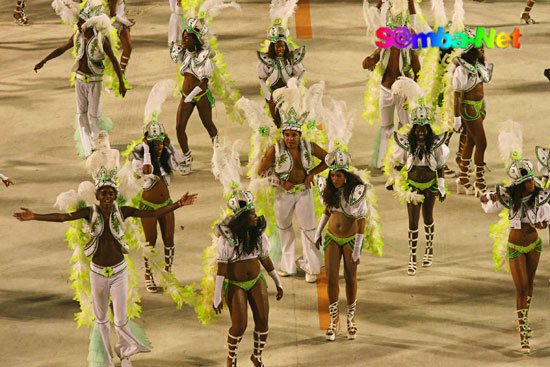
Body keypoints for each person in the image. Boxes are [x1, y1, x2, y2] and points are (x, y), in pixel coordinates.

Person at [13, 166, 198, 367]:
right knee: (101, 320)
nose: (107, 197)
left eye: (111, 193)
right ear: (98, 196)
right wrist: (35, 216)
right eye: (104, 193)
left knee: (120, 320)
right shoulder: (88, 212)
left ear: (116, 196)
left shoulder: (124, 211)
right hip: (97, 274)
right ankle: (108, 360)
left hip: (119, 273)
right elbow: (63, 217)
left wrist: (179, 203)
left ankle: (125, 353)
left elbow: (153, 214)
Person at [35, 1, 127, 158]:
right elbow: (61, 49)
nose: (77, 24)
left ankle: (100, 148)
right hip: (79, 80)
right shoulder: (77, 36)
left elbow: (113, 60)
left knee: (95, 116)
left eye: (81, 22)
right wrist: (44, 60)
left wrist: (121, 83)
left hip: (95, 81)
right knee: (81, 115)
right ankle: (88, 150)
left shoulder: (101, 39)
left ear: (90, 23)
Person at [480, 159, 550, 354]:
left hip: (534, 246)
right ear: (519, 185)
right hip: (516, 247)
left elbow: (546, 220)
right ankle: (523, 331)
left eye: (532, 181)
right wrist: (485, 197)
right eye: (528, 182)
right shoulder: (509, 198)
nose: (532, 184)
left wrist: (542, 225)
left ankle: (524, 318)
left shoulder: (539, 198)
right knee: (521, 288)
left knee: (530, 284)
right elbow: (487, 203)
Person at [213, 191, 283, 367]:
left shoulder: (258, 235)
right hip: (236, 285)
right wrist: (217, 295)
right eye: (253, 214)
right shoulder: (227, 239)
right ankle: (231, 358)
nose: (257, 217)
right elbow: (221, 269)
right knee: (239, 326)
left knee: (263, 323)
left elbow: (265, 259)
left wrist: (277, 281)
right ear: (244, 218)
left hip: (256, 281)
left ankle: (257, 357)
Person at [258, 108, 327, 283]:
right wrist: (281, 182)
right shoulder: (275, 150)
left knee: (308, 229)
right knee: (284, 229)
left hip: (304, 192)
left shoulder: (308, 146)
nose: (290, 139)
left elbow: (328, 159)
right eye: (287, 135)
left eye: (294, 135)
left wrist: (311, 174)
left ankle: (311, 267)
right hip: (283, 195)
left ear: (299, 135)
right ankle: (287, 266)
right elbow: (261, 172)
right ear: (283, 134)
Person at [388, 105, 449, 275]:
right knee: (413, 223)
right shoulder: (406, 145)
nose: (421, 132)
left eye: (424, 129)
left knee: (428, 218)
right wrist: (391, 180)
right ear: (413, 130)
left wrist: (442, 188)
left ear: (429, 130)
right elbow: (399, 165)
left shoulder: (436, 145)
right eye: (418, 129)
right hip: (412, 188)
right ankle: (412, 257)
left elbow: (440, 168)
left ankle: (429, 249)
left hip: (430, 186)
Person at [314, 151, 367, 341]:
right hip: (332, 238)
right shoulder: (329, 189)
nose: (334, 178)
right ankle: (333, 320)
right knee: (331, 278)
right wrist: (318, 232)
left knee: (351, 277)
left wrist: (357, 248)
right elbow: (327, 210)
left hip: (351, 239)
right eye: (332, 175)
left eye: (338, 175)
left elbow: (361, 222)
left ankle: (351, 319)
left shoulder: (357, 192)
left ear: (346, 175)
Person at [362, 0, 421, 169]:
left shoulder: (411, 49)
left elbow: (418, 73)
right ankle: (384, 161)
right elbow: (374, 57)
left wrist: (415, 95)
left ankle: (402, 159)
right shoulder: (385, 46)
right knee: (386, 126)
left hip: (403, 91)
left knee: (405, 126)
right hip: (385, 89)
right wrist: (369, 60)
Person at [130, 121, 186, 292]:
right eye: (155, 144)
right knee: (151, 242)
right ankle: (148, 275)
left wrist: (171, 145)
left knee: (169, 239)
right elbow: (147, 171)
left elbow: (182, 163)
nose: (159, 147)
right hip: (148, 208)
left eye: (161, 142)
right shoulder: (139, 158)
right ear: (147, 143)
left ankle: (168, 273)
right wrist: (147, 150)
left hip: (166, 204)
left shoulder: (165, 156)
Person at [170, 17, 219, 174]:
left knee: (208, 124)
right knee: (179, 127)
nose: (183, 40)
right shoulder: (183, 54)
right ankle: (188, 158)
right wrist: (187, 96)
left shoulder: (204, 58)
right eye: (183, 37)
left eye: (187, 38)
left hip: (201, 96)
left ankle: (218, 155)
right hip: (186, 96)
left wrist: (191, 96)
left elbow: (203, 83)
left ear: (195, 40)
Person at [453, 31, 493, 197]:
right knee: (482, 143)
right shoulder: (461, 71)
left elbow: (480, 90)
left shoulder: (481, 66)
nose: (482, 50)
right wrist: (456, 119)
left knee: (470, 142)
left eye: (482, 47)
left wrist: (483, 106)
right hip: (468, 110)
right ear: (470, 51)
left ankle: (462, 178)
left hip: (478, 108)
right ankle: (479, 181)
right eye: (478, 48)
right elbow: (457, 97)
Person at [257, 1, 305, 128]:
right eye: (278, 46)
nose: (280, 49)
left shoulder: (291, 60)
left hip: (289, 94)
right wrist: (268, 95)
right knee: (275, 121)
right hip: (273, 95)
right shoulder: (267, 61)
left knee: (290, 120)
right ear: (272, 47)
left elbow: (301, 72)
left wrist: (295, 86)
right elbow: (262, 79)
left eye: (282, 46)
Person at [109, 0, 135, 73]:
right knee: (108, 52)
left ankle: (121, 72)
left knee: (128, 48)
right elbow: (112, 13)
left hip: (121, 21)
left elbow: (120, 8)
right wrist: (126, 22)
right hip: (111, 24)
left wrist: (125, 20)